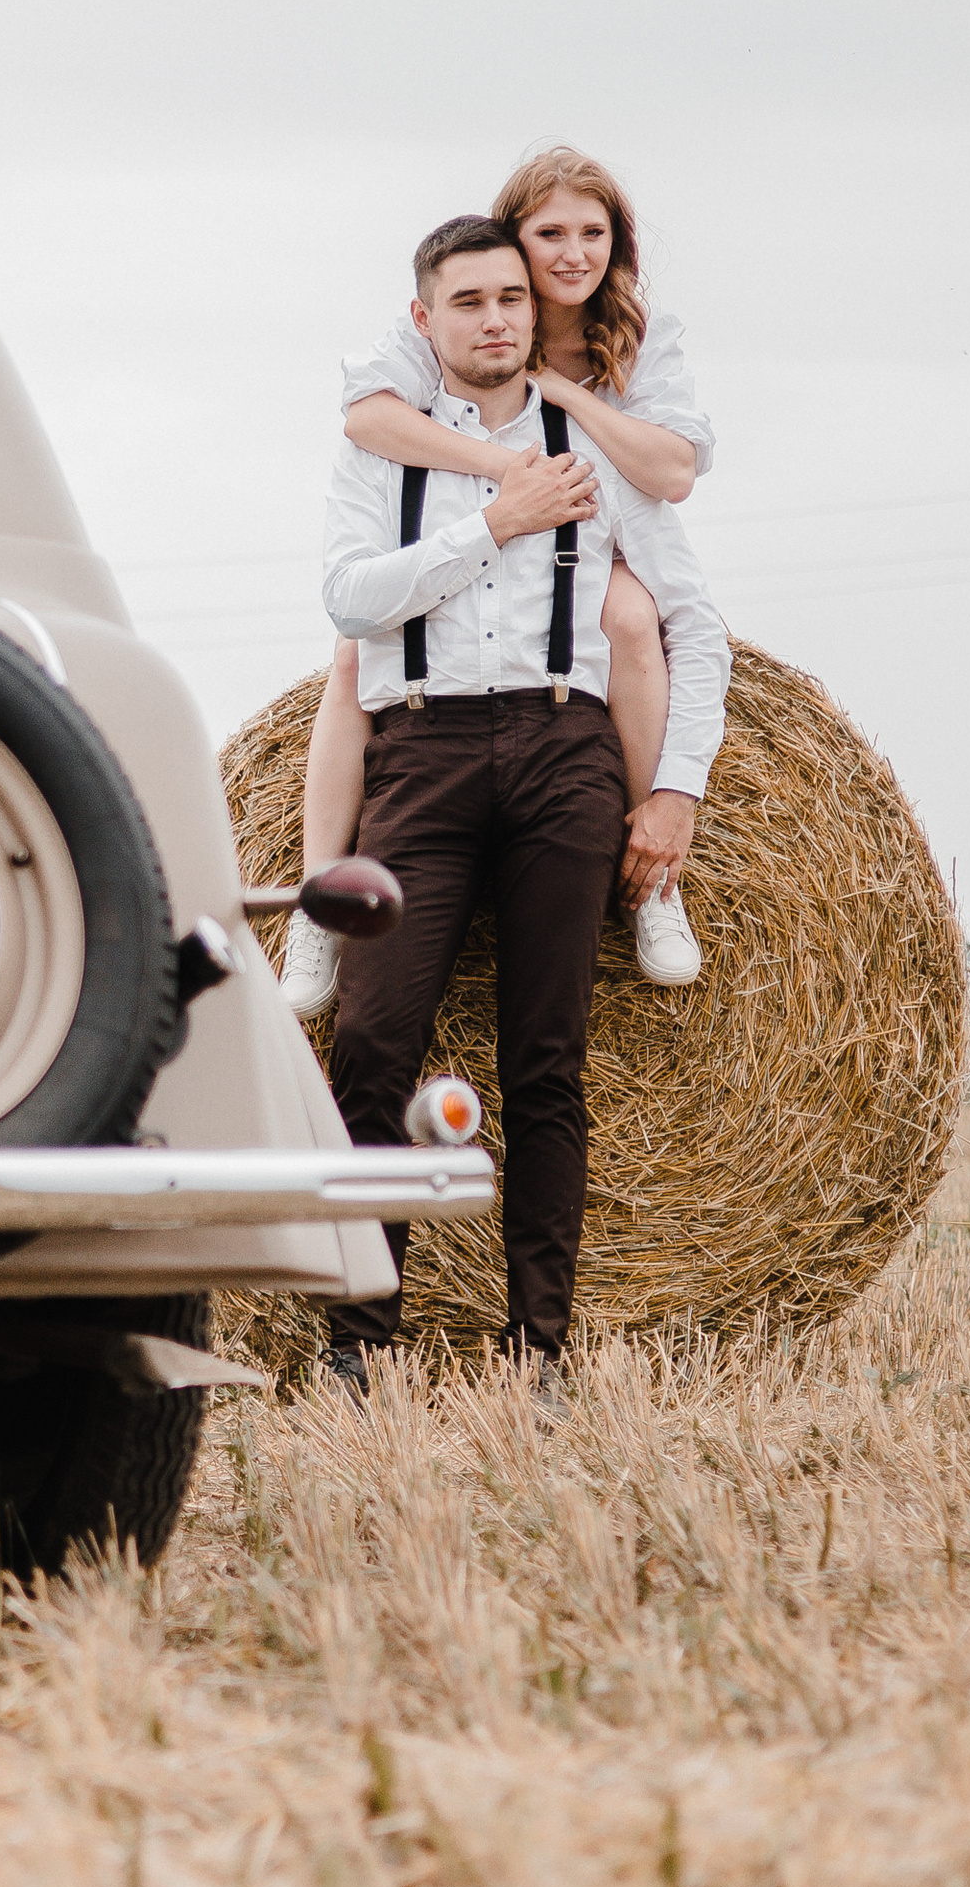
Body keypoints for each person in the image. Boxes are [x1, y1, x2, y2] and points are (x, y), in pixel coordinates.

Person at [316, 213, 728, 1390]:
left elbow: (689, 618)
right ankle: (357, 1340)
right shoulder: (381, 448)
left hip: (562, 747)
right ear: (423, 320)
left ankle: (537, 1349)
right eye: (468, 302)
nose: (495, 318)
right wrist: (489, 523)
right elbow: (348, 597)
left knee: (546, 1056)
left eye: (510, 299)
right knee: (371, 1040)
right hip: (424, 752)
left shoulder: (592, 439)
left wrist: (673, 791)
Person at [284, 146, 715, 1016]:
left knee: (633, 623)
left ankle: (656, 873)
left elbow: (672, 472)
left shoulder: (639, 335)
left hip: (600, 521)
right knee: (351, 653)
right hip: (513, 517)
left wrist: (565, 398)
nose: (571, 254)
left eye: (592, 233)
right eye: (548, 233)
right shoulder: (448, 320)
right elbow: (367, 417)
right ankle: (318, 901)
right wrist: (504, 476)